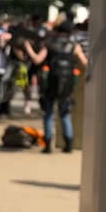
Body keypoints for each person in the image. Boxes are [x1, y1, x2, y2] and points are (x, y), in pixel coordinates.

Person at [26, 20, 87, 153]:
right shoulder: (74, 46)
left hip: (51, 82)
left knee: (48, 113)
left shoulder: (49, 44)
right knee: (64, 114)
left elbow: (37, 60)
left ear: (57, 31)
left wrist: (28, 48)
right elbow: (84, 63)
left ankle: (48, 145)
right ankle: (68, 144)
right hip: (67, 83)